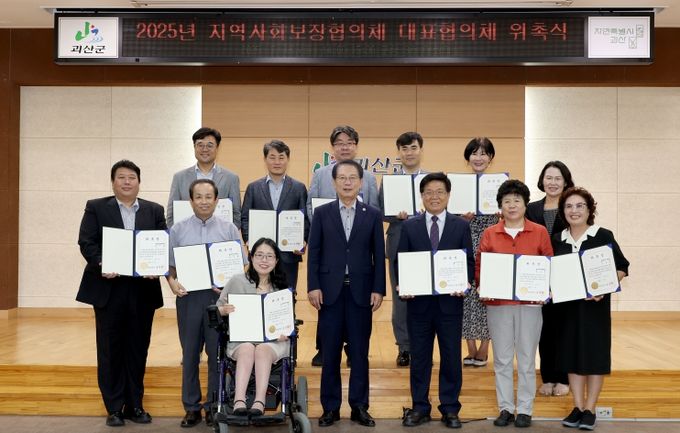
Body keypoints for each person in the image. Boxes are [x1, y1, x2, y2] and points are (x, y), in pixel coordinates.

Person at [77, 160, 166, 427]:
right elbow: (86, 241)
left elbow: (162, 243)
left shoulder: (154, 210)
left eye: (131, 177)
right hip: (109, 288)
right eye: (121, 177)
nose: (127, 182)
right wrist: (102, 263)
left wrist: (156, 266)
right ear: (113, 182)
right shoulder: (96, 207)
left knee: (138, 349)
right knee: (110, 349)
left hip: (142, 289)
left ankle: (135, 405)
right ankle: (114, 407)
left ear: (139, 182)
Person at [307, 159, 386, 427]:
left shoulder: (372, 214)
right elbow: (314, 252)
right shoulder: (322, 213)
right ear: (334, 182)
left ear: (361, 182)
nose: (348, 182)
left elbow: (378, 254)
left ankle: (359, 406)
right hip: (329, 293)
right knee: (330, 353)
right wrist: (313, 285)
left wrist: (378, 289)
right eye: (342, 178)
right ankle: (330, 408)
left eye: (353, 178)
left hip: (361, 293)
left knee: (360, 353)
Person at [396, 172, 474, 429]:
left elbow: (469, 262)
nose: (434, 197)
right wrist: (403, 285)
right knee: (420, 357)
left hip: (450, 304)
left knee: (451, 357)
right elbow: (400, 261)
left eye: (440, 192)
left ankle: (450, 408)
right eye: (429, 192)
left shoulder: (460, 225)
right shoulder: (410, 226)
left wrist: (465, 283)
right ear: (422, 196)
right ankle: (420, 407)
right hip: (418, 304)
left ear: (448, 195)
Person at [166, 179, 246, 428]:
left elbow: (241, 266)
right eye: (198, 197)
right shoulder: (178, 230)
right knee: (190, 354)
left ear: (217, 200)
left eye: (208, 196)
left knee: (216, 354)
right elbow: (169, 267)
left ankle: (214, 405)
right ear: (190, 201)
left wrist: (229, 288)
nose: (203, 201)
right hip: (188, 298)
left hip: (218, 300)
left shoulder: (229, 229)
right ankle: (191, 408)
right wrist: (172, 283)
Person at [476, 179, 553, 428]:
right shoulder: (490, 233)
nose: (511, 205)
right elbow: (481, 265)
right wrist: (482, 286)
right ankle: (506, 408)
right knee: (502, 359)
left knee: (527, 358)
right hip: (498, 304)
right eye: (506, 201)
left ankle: (525, 409)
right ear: (500, 206)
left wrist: (545, 288)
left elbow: (549, 264)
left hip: (530, 304)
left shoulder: (539, 232)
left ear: (525, 204)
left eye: (516, 200)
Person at [553, 187, 629, 431]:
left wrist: (605, 287)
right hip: (566, 310)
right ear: (563, 211)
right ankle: (577, 407)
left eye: (579, 206)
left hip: (595, 309)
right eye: (568, 206)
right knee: (572, 356)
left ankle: (590, 409)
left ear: (589, 210)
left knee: (594, 357)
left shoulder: (602, 235)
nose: (574, 211)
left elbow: (622, 267)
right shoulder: (557, 239)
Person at [306, 125, 379, 367]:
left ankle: (352, 353)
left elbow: (373, 212)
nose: (344, 147)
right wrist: (327, 227)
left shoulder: (368, 177)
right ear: (332, 147)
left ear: (356, 146)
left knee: (359, 340)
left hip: (358, 261)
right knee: (329, 324)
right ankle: (324, 350)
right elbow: (311, 207)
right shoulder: (320, 175)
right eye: (339, 143)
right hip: (330, 254)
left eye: (349, 142)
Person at [216, 238, 291, 417]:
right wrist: (224, 310)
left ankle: (260, 400)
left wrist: (285, 332)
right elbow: (218, 307)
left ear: (276, 261)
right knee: (248, 348)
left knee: (262, 349)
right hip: (242, 339)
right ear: (251, 257)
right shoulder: (237, 281)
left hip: (273, 341)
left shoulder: (280, 286)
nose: (264, 260)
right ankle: (239, 400)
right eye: (259, 255)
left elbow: (287, 320)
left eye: (269, 256)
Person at [378, 131, 428, 368]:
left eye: (413, 148)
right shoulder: (390, 181)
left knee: (426, 298)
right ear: (399, 152)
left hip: (427, 243)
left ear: (421, 150)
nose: (409, 153)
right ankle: (404, 347)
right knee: (401, 299)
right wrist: (394, 215)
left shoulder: (431, 179)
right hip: (398, 241)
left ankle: (423, 347)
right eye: (404, 148)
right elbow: (380, 211)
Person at [526, 161, 575, 397]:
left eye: (558, 178)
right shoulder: (531, 208)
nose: (552, 182)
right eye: (549, 178)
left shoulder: (572, 207)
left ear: (565, 182)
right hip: (537, 276)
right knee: (543, 329)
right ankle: (548, 377)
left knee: (564, 328)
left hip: (565, 274)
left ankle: (564, 378)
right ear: (542, 180)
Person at [241, 140, 309, 291]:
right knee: (259, 293)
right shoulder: (253, 188)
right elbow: (245, 218)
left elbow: (305, 219)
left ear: (288, 159)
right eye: (272, 157)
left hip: (289, 255)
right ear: (265, 159)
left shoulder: (299, 188)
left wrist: (302, 240)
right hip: (260, 255)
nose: (277, 162)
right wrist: (248, 240)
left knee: (287, 295)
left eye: (281, 157)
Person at [460, 137, 497, 368]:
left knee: (487, 293)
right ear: (468, 158)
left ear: (490, 158)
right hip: (464, 241)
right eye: (474, 153)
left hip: (491, 242)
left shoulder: (499, 185)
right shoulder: (457, 185)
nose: (479, 158)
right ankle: (470, 347)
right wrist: (461, 219)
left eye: (484, 153)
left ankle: (484, 347)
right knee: (466, 296)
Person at [166, 127, 241, 228]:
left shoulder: (231, 178)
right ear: (194, 147)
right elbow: (171, 215)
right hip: (188, 235)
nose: (205, 149)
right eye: (200, 145)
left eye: (210, 145)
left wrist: (227, 234)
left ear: (217, 148)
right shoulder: (179, 177)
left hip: (219, 235)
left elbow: (236, 215)